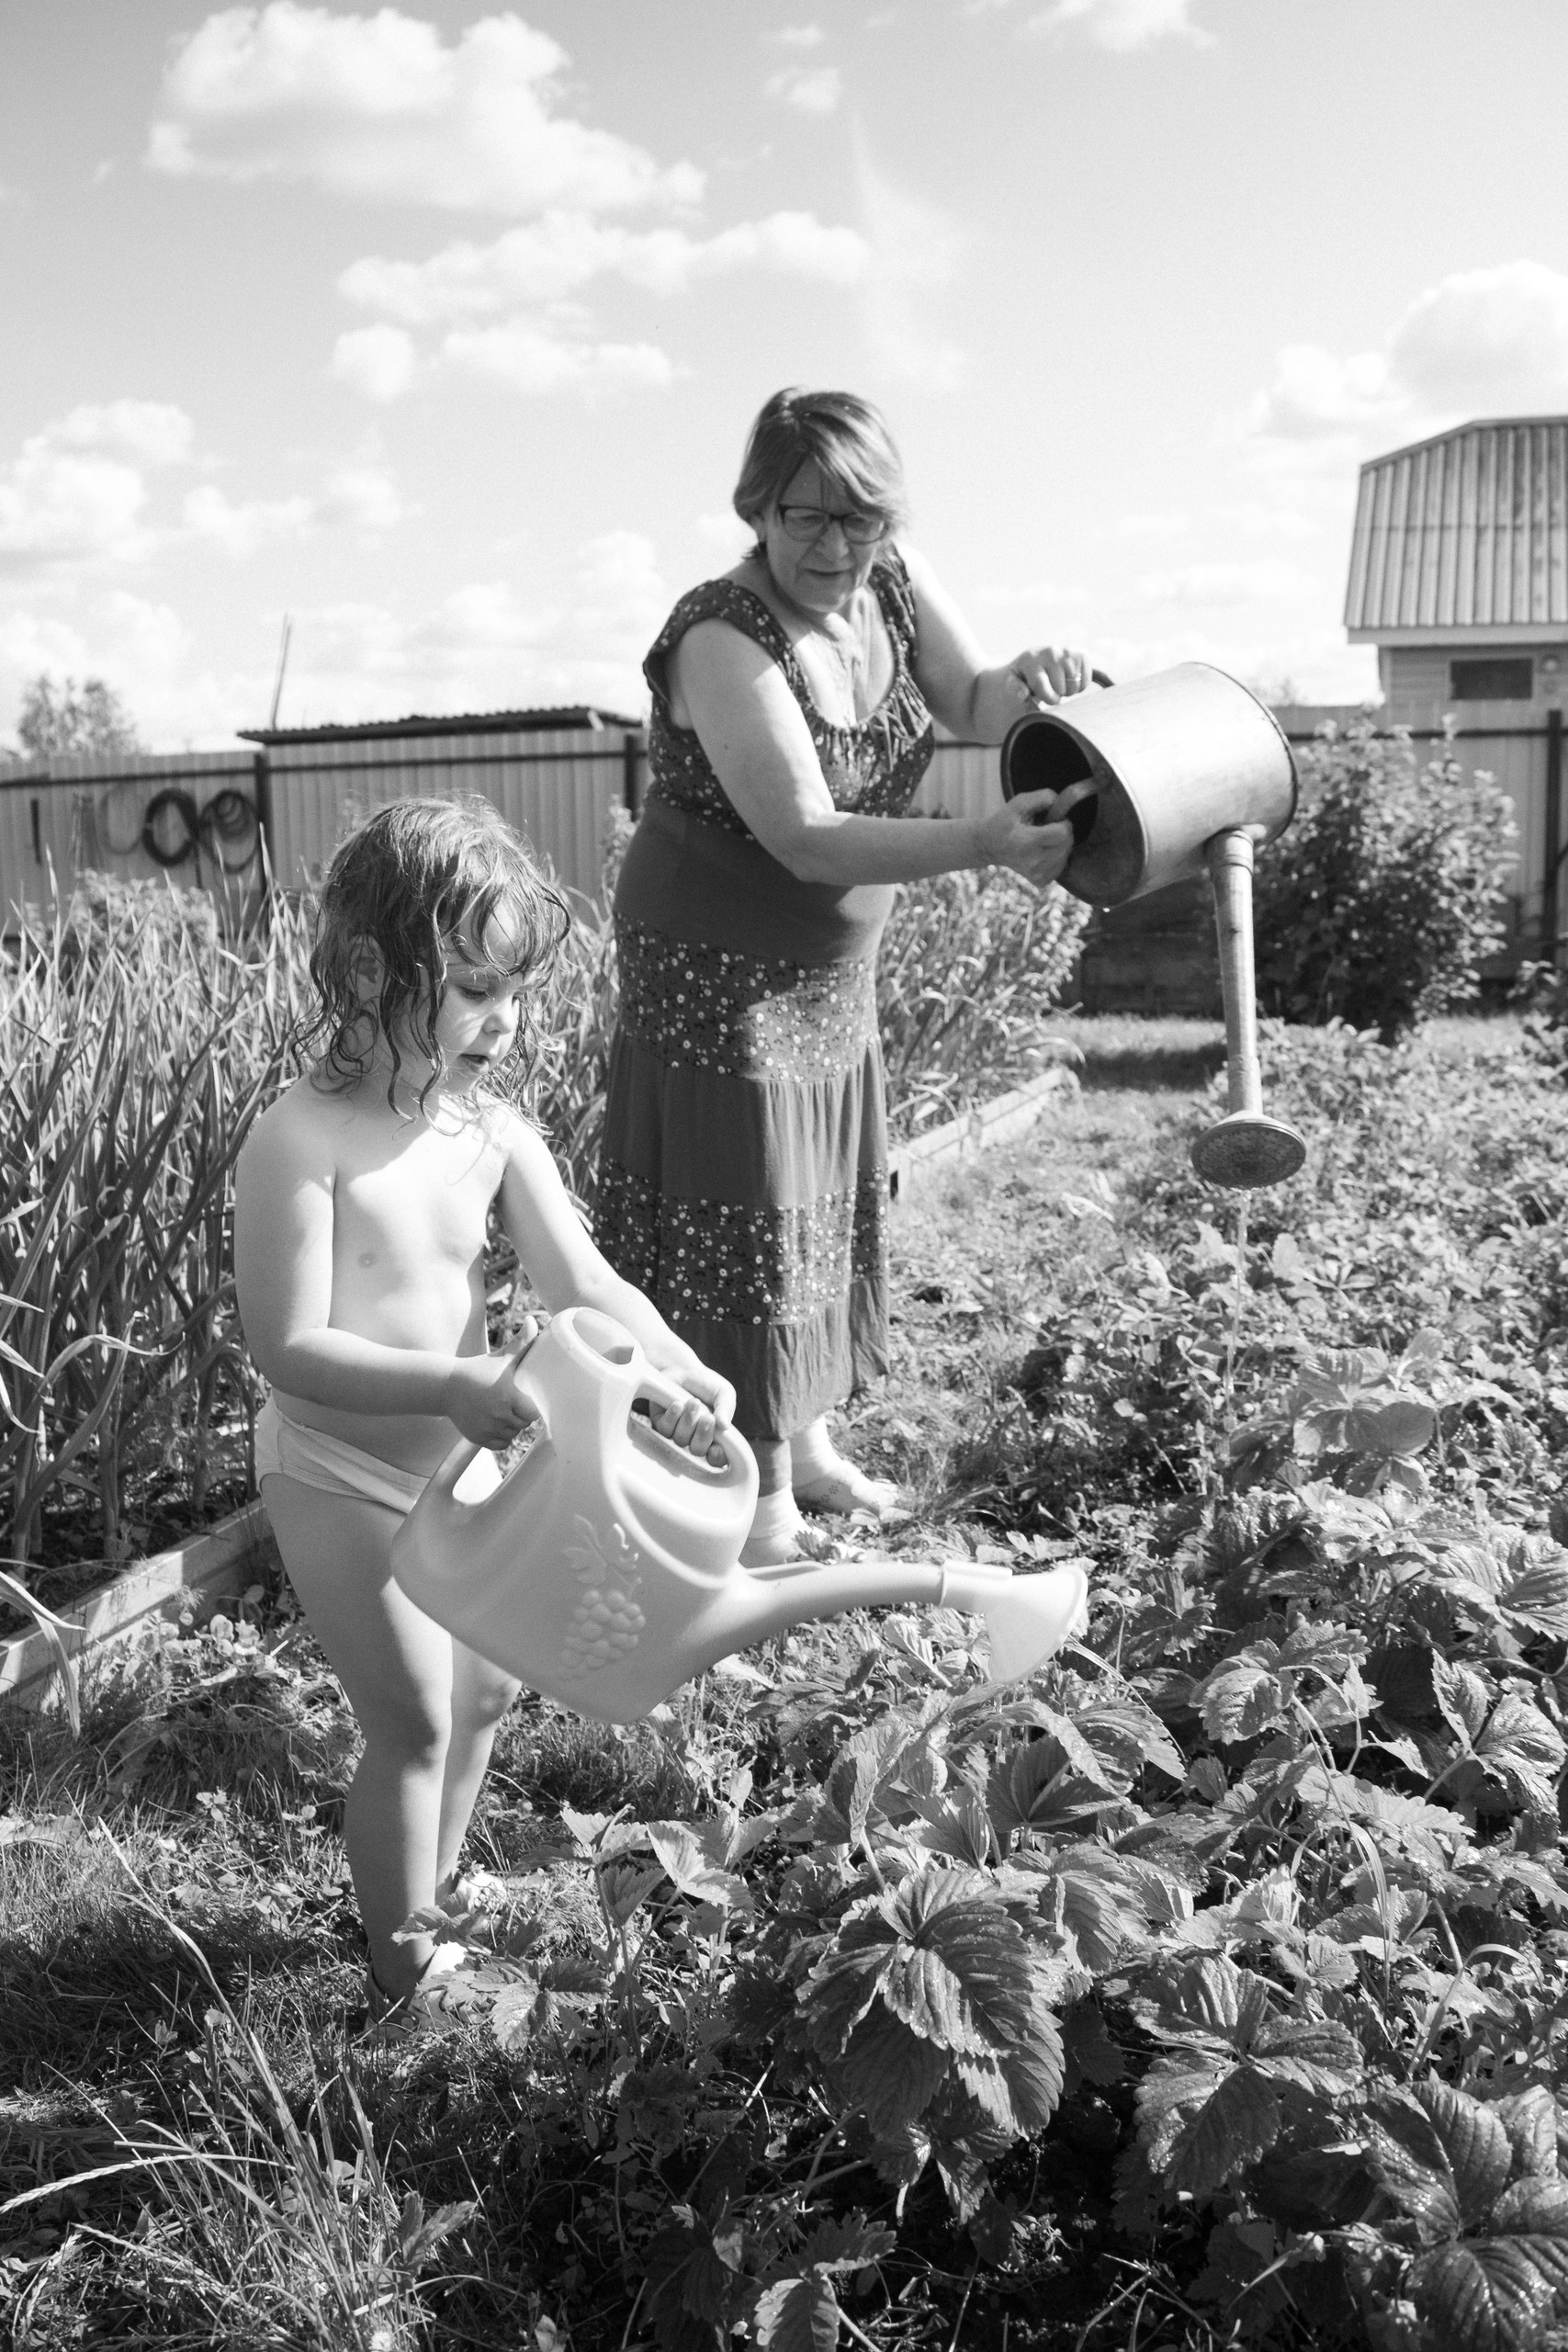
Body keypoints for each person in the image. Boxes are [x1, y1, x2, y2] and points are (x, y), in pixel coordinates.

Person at [235, 799, 734, 2017]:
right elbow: (287, 1346)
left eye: (513, 988)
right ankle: (407, 1977)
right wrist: (459, 1385)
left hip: (459, 1466)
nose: (501, 1019)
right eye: (468, 985)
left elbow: (586, 1284)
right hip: (339, 1473)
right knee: (409, 1715)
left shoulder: (490, 1134)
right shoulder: (300, 1143)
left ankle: (435, 1892)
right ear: (365, 972)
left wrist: (676, 1371)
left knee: (488, 1693)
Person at [594, 386, 1091, 1566]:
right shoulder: (720, 633)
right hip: (713, 963)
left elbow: (975, 701)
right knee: (745, 1216)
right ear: (757, 509)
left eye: (856, 522)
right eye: (803, 519)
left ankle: (803, 1444)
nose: (832, 548)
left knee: (816, 1201)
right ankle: (752, 1498)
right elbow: (807, 834)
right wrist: (982, 842)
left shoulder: (891, 582)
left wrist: (1037, 672)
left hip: (826, 965)